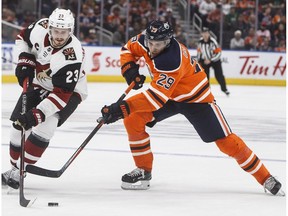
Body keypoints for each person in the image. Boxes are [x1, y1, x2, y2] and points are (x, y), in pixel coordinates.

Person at [100, 20, 285, 196]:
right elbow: (127, 49)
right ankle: (143, 170)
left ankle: (265, 177)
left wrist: (120, 109)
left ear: (169, 40)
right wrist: (129, 69)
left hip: (196, 99)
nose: (154, 48)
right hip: (170, 95)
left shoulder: (172, 59)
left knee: (226, 142)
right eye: (151, 43)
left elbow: (154, 99)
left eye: (160, 44)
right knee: (133, 120)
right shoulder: (143, 40)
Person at [2, 8, 88, 189]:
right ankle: (13, 168)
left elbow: (61, 94)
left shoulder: (72, 54)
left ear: (70, 31)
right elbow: (22, 39)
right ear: (49, 27)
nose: (59, 36)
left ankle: (20, 171)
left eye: (63, 32)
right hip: (40, 82)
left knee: (46, 126)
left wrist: (37, 115)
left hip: (69, 91)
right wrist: (25, 58)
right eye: (56, 31)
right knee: (18, 126)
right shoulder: (40, 28)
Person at [197, 27, 229, 96]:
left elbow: (219, 53)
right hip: (205, 61)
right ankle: (207, 91)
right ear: (201, 34)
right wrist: (200, 61)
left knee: (219, 75)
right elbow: (199, 52)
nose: (205, 34)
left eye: (206, 33)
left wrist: (211, 60)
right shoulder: (200, 42)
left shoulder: (213, 41)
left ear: (209, 34)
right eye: (204, 33)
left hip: (215, 61)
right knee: (205, 77)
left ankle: (224, 89)